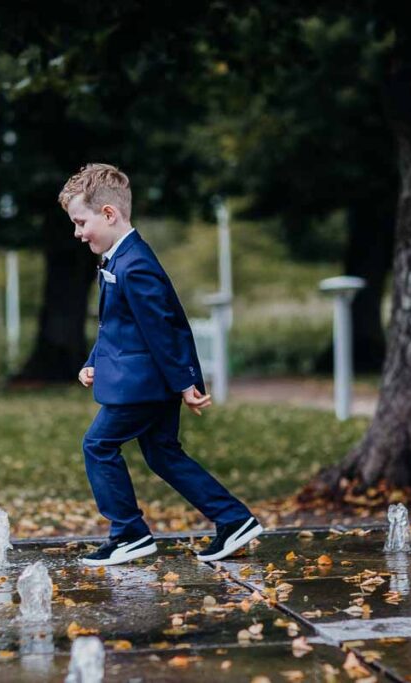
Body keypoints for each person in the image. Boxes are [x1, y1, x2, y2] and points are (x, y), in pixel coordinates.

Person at [59, 163, 263, 567]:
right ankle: (234, 520)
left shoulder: (135, 264)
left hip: (144, 385)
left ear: (109, 215)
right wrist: (94, 360)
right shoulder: (121, 258)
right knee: (163, 453)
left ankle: (129, 533)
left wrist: (187, 382)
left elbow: (165, 327)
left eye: (81, 222)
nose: (78, 233)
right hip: (142, 380)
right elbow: (116, 324)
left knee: (98, 446)